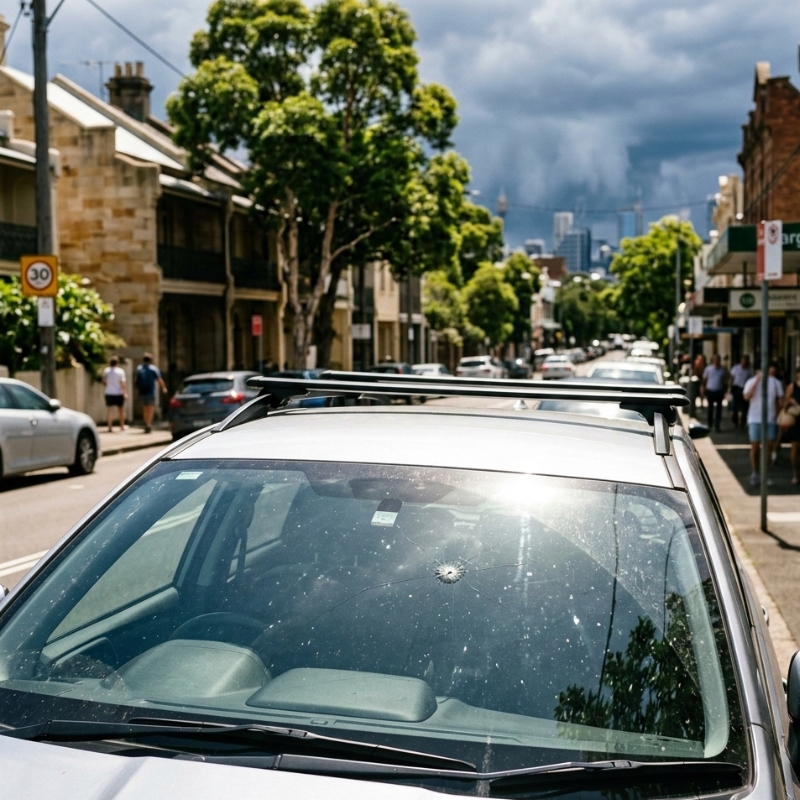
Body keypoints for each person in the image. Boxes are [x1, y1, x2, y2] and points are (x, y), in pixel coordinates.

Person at [743, 365, 784, 486]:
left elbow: (780, 400)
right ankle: (755, 472)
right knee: (755, 447)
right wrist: (757, 381)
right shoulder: (750, 381)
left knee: (769, 447)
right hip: (754, 419)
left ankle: (765, 474)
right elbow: (746, 397)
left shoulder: (775, 382)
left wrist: (778, 415)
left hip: (770, 419)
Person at [135, 353, 167, 434]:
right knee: (151, 408)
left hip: (142, 391)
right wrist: (163, 388)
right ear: (151, 360)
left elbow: (136, 380)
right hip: (150, 391)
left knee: (145, 408)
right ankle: (149, 424)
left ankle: (146, 423)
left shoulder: (139, 368)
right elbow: (159, 379)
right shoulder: (153, 369)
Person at [781, 375, 800, 485]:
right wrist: (790, 402)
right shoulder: (792, 386)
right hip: (795, 420)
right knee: (795, 447)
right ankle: (795, 473)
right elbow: (784, 403)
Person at [701, 354, 728, 432]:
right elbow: (704, 379)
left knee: (719, 409)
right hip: (710, 391)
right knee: (710, 408)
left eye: (718, 360)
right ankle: (710, 424)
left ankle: (717, 425)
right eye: (715, 360)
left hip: (719, 391)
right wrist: (703, 388)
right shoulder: (708, 369)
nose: (716, 361)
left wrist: (726, 390)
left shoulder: (723, 370)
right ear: (712, 361)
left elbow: (725, 380)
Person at [102, 356, 127, 433]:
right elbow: (122, 382)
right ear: (117, 363)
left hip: (109, 392)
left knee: (110, 410)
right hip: (118, 392)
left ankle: (109, 427)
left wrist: (109, 385)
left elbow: (104, 381)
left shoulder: (106, 370)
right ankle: (122, 426)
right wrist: (125, 392)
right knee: (121, 410)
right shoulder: (120, 371)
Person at [729, 355, 753, 429]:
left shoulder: (749, 370)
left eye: (746, 361)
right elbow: (731, 378)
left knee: (745, 406)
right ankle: (735, 421)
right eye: (743, 361)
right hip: (737, 388)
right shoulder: (736, 368)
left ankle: (743, 421)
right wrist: (729, 388)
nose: (744, 363)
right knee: (735, 406)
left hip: (745, 388)